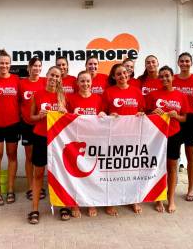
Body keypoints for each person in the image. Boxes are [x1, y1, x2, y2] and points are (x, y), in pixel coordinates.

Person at [102, 63, 145, 216]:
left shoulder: (136, 92)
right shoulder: (108, 92)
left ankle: (133, 199)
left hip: (133, 136)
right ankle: (111, 200)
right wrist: (107, 116)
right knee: (113, 170)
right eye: (119, 74)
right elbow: (102, 112)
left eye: (125, 73)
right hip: (114, 137)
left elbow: (142, 111)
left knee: (132, 168)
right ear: (114, 77)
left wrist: (141, 115)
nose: (122, 76)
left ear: (129, 74)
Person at [146, 66, 188, 213]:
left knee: (171, 168)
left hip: (174, 135)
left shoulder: (181, 95)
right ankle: (158, 199)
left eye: (167, 76)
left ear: (172, 77)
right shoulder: (152, 95)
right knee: (158, 168)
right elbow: (145, 115)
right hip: (157, 136)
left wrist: (176, 116)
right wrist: (153, 113)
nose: (164, 79)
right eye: (162, 76)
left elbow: (184, 118)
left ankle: (170, 199)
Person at [28, 66, 67, 224]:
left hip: (57, 139)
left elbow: (68, 120)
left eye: (57, 76)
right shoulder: (37, 94)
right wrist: (39, 116)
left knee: (59, 174)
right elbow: (31, 117)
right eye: (52, 75)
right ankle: (35, 209)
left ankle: (62, 205)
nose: (54, 78)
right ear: (47, 75)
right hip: (40, 137)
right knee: (38, 174)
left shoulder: (62, 96)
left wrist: (64, 111)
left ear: (60, 79)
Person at [66, 70, 105, 219]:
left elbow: (106, 117)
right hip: (75, 142)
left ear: (92, 83)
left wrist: (103, 114)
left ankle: (90, 202)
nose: (85, 84)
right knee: (75, 173)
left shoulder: (98, 99)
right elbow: (62, 119)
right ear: (77, 83)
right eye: (82, 81)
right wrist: (70, 114)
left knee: (91, 173)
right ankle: (75, 203)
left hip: (93, 141)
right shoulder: (71, 98)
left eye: (88, 81)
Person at [0, 49, 20, 206]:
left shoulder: (16, 80)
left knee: (12, 156)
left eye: (7, 63)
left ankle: (11, 190)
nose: (4, 65)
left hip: (13, 124)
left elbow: (21, 102)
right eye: (1, 63)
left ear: (10, 64)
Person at [173, 52, 193, 202]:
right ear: (178, 63)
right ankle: (172, 184)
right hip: (176, 119)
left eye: (187, 61)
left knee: (191, 155)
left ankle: (191, 188)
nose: (184, 64)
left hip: (191, 120)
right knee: (173, 156)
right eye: (182, 61)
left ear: (191, 63)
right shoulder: (172, 79)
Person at [19, 57, 47, 201]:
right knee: (30, 157)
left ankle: (41, 186)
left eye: (39, 66)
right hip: (27, 125)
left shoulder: (45, 82)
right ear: (29, 68)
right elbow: (18, 103)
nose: (36, 68)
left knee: (41, 159)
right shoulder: (22, 83)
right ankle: (31, 186)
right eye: (34, 66)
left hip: (42, 126)